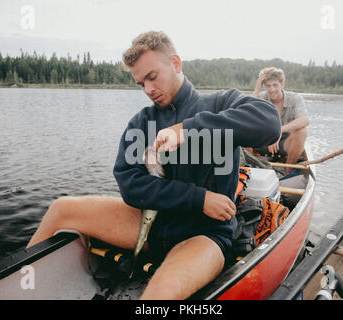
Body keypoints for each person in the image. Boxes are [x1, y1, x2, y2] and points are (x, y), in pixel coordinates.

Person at [27, 31, 281, 299]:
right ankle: (21, 287)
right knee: (61, 209)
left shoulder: (220, 104)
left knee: (160, 294)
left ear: (176, 63)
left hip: (205, 234)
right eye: (140, 83)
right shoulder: (142, 122)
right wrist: (199, 198)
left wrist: (188, 129)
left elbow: (269, 123)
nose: (148, 90)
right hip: (152, 226)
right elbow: (129, 184)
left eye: (152, 77)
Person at [251, 67, 309, 173]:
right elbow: (243, 116)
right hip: (264, 142)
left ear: (282, 84)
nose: (272, 90)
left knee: (302, 131)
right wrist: (256, 91)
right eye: (268, 86)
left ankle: (287, 171)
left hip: (286, 144)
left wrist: (278, 131)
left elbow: (304, 120)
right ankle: (250, 167)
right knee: (243, 128)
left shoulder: (295, 98)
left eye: (275, 85)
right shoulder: (260, 98)